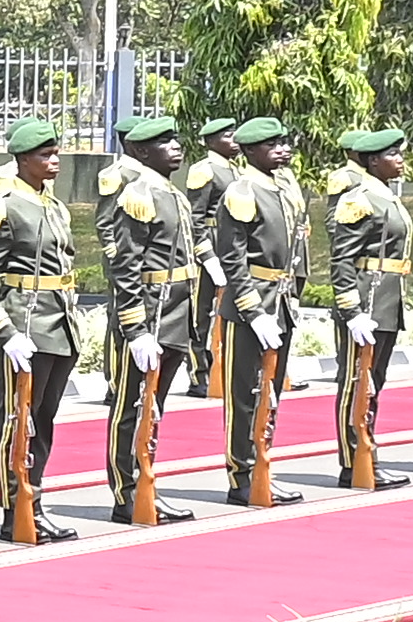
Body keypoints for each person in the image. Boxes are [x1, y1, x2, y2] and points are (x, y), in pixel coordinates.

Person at [0, 118, 85, 543]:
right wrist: (5, 331)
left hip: (59, 324)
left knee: (44, 420)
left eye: (56, 153)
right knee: (18, 421)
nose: (54, 161)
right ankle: (14, 506)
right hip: (26, 325)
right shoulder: (3, 207)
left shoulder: (52, 204)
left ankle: (35, 499)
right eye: (44, 155)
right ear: (21, 160)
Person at [94, 113, 200, 525]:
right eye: (164, 141)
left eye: (176, 138)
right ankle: (127, 491)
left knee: (152, 407)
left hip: (174, 312)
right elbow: (126, 267)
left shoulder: (168, 191)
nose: (176, 146)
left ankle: (146, 481)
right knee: (132, 404)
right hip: (152, 312)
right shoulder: (137, 195)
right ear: (140, 151)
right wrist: (135, 328)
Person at [214, 117, 308, 506]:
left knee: (269, 392)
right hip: (251, 306)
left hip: (280, 303)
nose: (282, 149)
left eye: (283, 142)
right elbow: (232, 257)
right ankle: (242, 474)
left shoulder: (282, 189)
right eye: (271, 145)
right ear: (250, 151)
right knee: (245, 395)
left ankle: (263, 466)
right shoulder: (243, 191)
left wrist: (294, 297)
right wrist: (254, 311)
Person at [323, 129, 413, 491]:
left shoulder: (386, 196)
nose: (400, 159)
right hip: (366, 298)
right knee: (355, 382)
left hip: (386, 300)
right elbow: (342, 258)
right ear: (373, 160)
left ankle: (368, 452)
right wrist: (351, 308)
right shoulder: (359, 199)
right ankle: (354, 461)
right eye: (392, 154)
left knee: (374, 383)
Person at [180, 116, 242, 397]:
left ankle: (222, 369)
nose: (235, 140)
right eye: (228, 136)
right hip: (211, 246)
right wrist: (207, 256)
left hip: (230, 244)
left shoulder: (236, 170)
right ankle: (198, 374)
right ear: (212, 141)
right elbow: (195, 220)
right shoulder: (203, 170)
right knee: (200, 315)